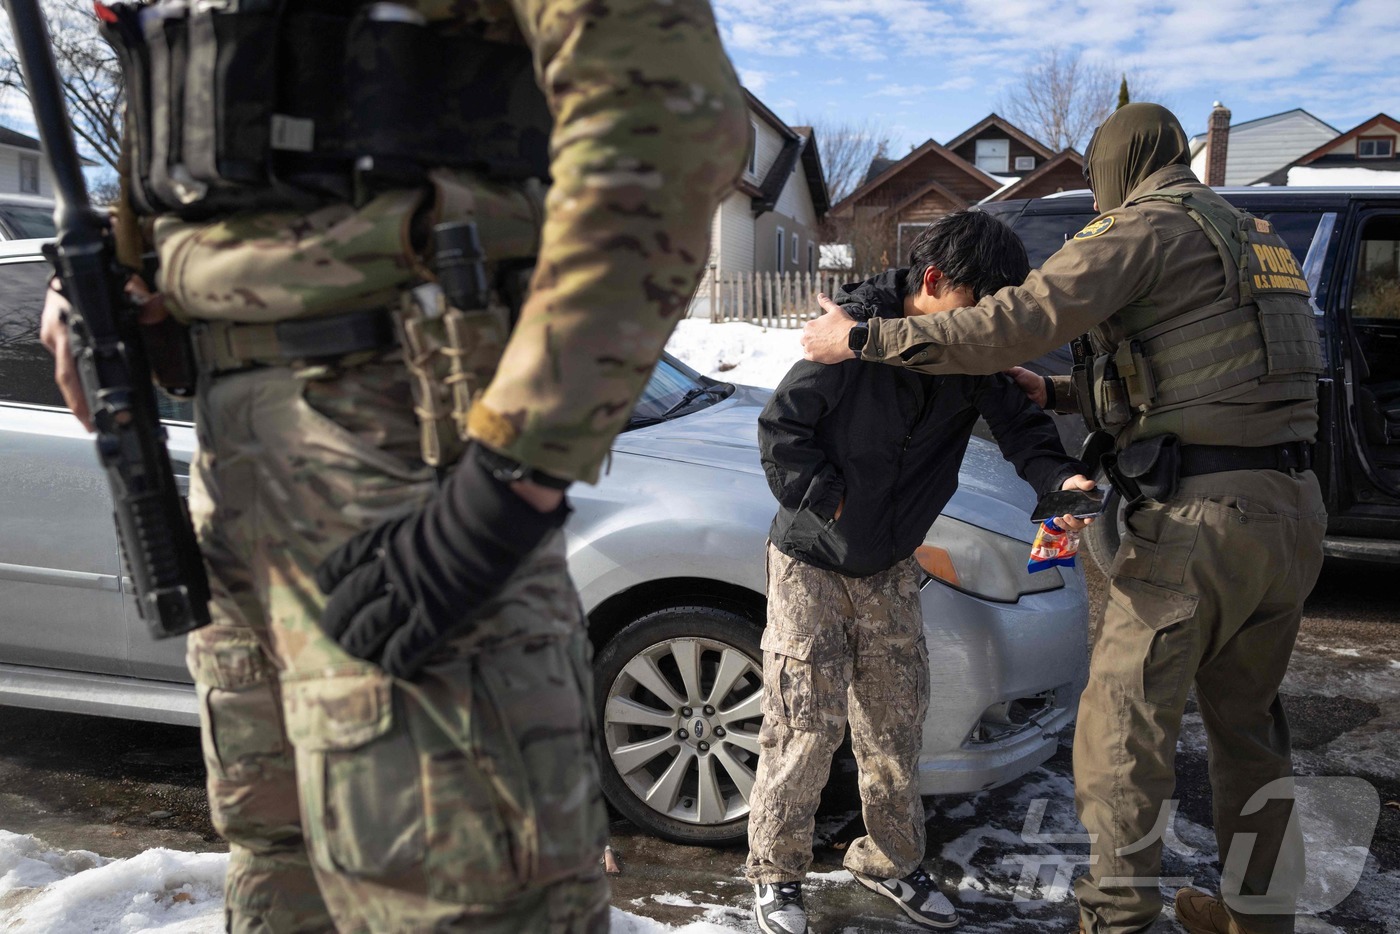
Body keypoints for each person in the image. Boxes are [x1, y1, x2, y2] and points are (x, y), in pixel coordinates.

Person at [41, 1, 747, 930]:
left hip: (410, 441)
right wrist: (113, 266)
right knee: (275, 856)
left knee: (465, 896)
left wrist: (512, 478)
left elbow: (668, 124)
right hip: (228, 442)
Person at [799, 103, 1326, 934]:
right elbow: (1218, 373)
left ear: (1117, 167)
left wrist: (865, 339)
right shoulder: (1255, 237)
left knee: (1121, 734)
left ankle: (1112, 922)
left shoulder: (1143, 229)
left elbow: (1017, 321)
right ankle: (1262, 919)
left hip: (1199, 523)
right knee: (1250, 732)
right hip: (1290, 513)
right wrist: (1071, 395)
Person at [747, 211, 1092, 934]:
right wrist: (829, 505)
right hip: (812, 562)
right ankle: (777, 873)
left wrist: (1059, 483)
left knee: (895, 725)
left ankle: (889, 861)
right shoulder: (852, 335)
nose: (983, 329)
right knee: (804, 727)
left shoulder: (970, 353)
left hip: (892, 566)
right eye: (976, 309)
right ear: (932, 283)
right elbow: (783, 429)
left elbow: (1024, 427)